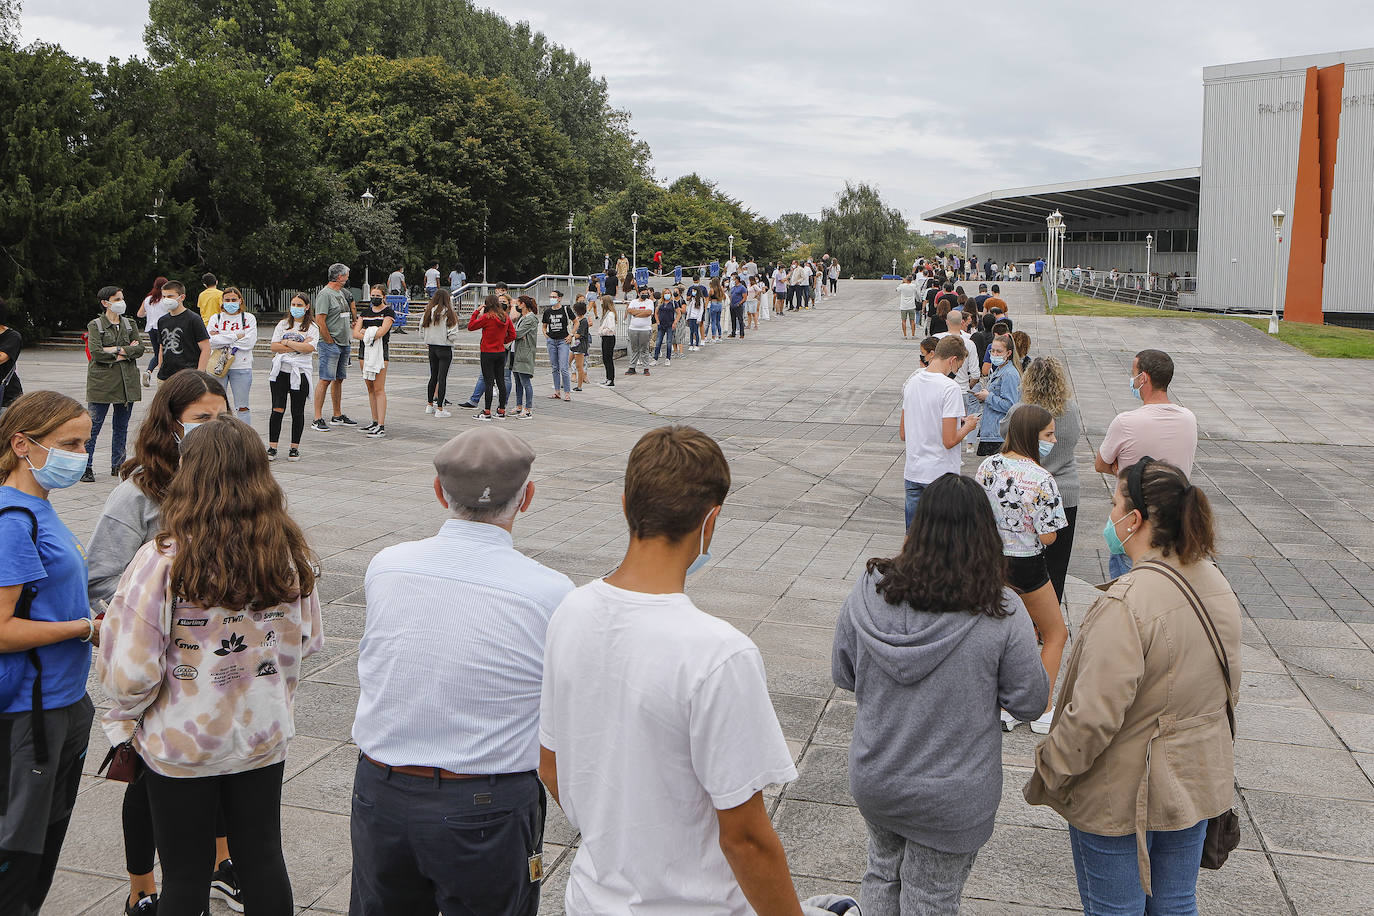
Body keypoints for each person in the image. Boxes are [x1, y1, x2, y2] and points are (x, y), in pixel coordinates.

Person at [539, 425, 802, 915]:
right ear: (711, 521)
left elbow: (550, 762)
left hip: (592, 896)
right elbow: (745, 838)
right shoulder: (719, 653)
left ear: (625, 504)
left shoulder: (570, 612)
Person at [99, 415, 322, 916]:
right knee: (263, 858)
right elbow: (308, 640)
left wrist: (127, 711)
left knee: (184, 873)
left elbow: (131, 671)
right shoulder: (286, 553)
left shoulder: (163, 560)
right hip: (261, 733)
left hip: (182, 740)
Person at [350, 426, 572, 915]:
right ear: (527, 497)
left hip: (381, 790)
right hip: (484, 802)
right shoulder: (552, 593)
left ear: (438, 492)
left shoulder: (386, 566)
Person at [1025, 459, 1241, 915]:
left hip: (1120, 794)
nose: (1110, 516)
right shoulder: (1216, 582)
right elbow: (1229, 688)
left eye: (1115, 504)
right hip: (1197, 777)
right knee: (1177, 904)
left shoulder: (1127, 603)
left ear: (1135, 519)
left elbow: (1092, 716)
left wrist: (1051, 765)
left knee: (1115, 909)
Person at [835, 473, 1048, 915]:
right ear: (985, 536)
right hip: (954, 793)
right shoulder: (1002, 611)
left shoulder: (869, 589)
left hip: (878, 776)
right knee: (932, 896)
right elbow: (1029, 702)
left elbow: (845, 672)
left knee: (881, 873)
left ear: (919, 528)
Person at [85, 371, 234, 912]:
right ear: (170, 424)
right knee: (147, 780)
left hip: (221, 663)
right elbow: (101, 579)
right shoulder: (139, 492)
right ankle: (141, 888)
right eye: (200, 420)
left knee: (223, 767)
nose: (213, 430)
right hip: (156, 665)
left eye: (221, 419)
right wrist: (153, 625)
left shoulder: (232, 484)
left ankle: (222, 860)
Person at [0, 391, 97, 916]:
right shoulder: (12, 520)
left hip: (62, 700)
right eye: (68, 443)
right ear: (22, 445)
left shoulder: (39, 507)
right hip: (29, 712)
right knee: (18, 851)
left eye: (84, 442)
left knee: (44, 842)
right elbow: (1, 630)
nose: (80, 454)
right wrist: (83, 628)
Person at [976, 406, 1069, 734]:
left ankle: (1005, 706)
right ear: (1032, 436)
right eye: (1048, 435)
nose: (1053, 440)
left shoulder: (988, 465)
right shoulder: (1043, 478)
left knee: (1011, 635)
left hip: (992, 561)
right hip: (1028, 564)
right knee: (1056, 633)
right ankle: (1042, 707)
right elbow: (1048, 535)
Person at [1094, 349, 1198, 578]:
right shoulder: (1189, 419)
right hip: (1173, 523)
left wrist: (1121, 468)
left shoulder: (1126, 422)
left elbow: (1101, 464)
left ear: (1144, 378)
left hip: (1133, 525)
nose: (1131, 380)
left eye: (1133, 374)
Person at [1002, 358, 1083, 605]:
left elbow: (1003, 434)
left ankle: (1023, 614)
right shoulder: (1071, 410)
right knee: (1057, 563)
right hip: (1064, 490)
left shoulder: (1020, 411)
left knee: (1021, 561)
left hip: (1023, 492)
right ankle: (1049, 614)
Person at [898, 336, 979, 528]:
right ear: (952, 360)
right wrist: (967, 427)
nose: (956, 372)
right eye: (958, 367)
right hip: (940, 475)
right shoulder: (950, 388)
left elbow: (903, 433)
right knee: (942, 537)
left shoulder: (912, 383)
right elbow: (949, 440)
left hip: (913, 470)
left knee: (913, 536)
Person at [84, 286, 146, 482]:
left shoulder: (129, 324)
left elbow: (141, 348)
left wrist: (114, 350)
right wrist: (125, 351)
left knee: (121, 427)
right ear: (105, 303)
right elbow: (96, 353)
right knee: (93, 427)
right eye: (117, 299)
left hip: (127, 383)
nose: (122, 302)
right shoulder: (96, 325)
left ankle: (118, 466)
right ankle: (86, 467)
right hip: (102, 384)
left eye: (122, 298)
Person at [267, 296, 319, 461]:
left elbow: (308, 348)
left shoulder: (312, 327)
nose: (296, 307)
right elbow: (274, 346)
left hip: (300, 372)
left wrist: (287, 342)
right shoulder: (283, 324)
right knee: (277, 409)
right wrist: (298, 345)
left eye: (299, 305)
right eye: (293, 304)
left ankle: (294, 447)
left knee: (297, 411)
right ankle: (272, 447)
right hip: (281, 371)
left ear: (307, 307)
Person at [311, 263, 361, 431]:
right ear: (340, 277)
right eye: (346, 275)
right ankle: (317, 418)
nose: (347, 278)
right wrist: (328, 340)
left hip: (343, 342)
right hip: (330, 344)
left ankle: (337, 414)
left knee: (339, 378)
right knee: (325, 379)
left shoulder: (340, 293)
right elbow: (320, 319)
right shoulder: (325, 294)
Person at [205, 286, 257, 425]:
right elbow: (210, 341)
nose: (230, 302)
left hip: (241, 366)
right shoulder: (215, 318)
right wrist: (236, 336)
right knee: (216, 405)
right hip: (217, 366)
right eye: (227, 300)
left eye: (234, 299)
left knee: (242, 406)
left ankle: (244, 437)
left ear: (240, 300)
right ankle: (217, 435)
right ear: (222, 301)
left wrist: (222, 338)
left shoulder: (248, 318)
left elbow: (249, 342)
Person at [353, 284, 395, 438]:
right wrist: (369, 332)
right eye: (373, 295)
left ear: (384, 296)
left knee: (379, 389)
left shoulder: (388, 312)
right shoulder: (365, 312)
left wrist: (366, 331)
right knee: (370, 388)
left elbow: (382, 332)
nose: (375, 298)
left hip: (380, 352)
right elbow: (355, 333)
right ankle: (374, 420)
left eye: (378, 296)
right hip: (365, 352)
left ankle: (381, 425)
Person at [468, 295, 515, 420]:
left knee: (489, 382)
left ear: (487, 305)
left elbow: (471, 326)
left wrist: (477, 311)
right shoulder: (505, 317)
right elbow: (513, 334)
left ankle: (487, 411)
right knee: (501, 381)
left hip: (487, 352)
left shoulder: (487, 317)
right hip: (500, 352)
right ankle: (501, 410)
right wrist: (502, 341)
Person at [974, 335, 1021, 456]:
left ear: (1008, 353)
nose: (994, 354)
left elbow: (1010, 405)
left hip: (998, 434)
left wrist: (988, 397)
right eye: (992, 351)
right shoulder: (999, 370)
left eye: (999, 351)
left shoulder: (1009, 374)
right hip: (991, 431)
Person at [154, 281, 210, 381]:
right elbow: (162, 347)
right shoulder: (162, 321)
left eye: (170, 296)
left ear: (182, 297)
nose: (166, 299)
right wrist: (160, 366)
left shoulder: (194, 319)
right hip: (166, 376)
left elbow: (205, 348)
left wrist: (200, 373)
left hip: (189, 376)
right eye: (164, 296)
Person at [420, 289, 462, 418]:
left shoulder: (428, 312)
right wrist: (447, 339)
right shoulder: (448, 313)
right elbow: (453, 334)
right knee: (442, 377)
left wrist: (427, 339)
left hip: (431, 347)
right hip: (444, 347)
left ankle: (429, 405)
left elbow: (421, 329)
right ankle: (440, 408)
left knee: (433, 376)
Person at [542, 290, 574, 401]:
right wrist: (546, 335)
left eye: (554, 296)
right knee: (554, 367)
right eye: (550, 296)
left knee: (564, 368)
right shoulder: (547, 312)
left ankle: (567, 392)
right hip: (552, 341)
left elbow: (576, 322)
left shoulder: (566, 309)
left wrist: (571, 335)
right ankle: (557, 391)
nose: (552, 298)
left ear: (559, 298)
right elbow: (544, 325)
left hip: (563, 341)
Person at [137, 277, 168, 387]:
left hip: (150, 328)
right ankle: (161, 375)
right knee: (163, 353)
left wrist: (149, 314)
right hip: (163, 328)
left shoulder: (148, 299)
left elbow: (139, 314)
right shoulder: (165, 300)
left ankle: (148, 372)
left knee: (157, 353)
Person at [511, 295, 538, 418]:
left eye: (518, 303)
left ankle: (528, 408)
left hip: (525, 353)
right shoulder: (523, 317)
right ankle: (518, 406)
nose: (517, 305)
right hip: (517, 352)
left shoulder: (530, 318)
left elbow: (518, 333)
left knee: (525, 381)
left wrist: (516, 334)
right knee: (518, 381)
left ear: (523, 304)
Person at [625, 288, 653, 376]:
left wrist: (636, 314)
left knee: (644, 349)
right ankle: (632, 367)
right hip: (633, 328)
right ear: (639, 293)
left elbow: (648, 312)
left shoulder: (649, 302)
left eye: (646, 293)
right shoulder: (633, 301)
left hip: (645, 329)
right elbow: (629, 310)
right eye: (643, 293)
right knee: (634, 349)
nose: (645, 294)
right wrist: (642, 312)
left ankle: (646, 368)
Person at [652, 287, 677, 364]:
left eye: (668, 293)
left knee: (669, 341)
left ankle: (668, 358)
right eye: (666, 293)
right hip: (661, 324)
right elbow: (655, 313)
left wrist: (675, 322)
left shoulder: (673, 303)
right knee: (658, 341)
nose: (667, 294)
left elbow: (678, 313)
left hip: (670, 324)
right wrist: (658, 322)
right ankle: (655, 358)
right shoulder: (660, 303)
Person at [597, 299, 618, 387]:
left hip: (609, 338)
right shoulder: (607, 313)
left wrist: (601, 331)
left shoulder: (610, 314)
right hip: (605, 338)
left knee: (608, 359)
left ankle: (611, 379)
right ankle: (608, 378)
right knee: (605, 358)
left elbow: (611, 328)